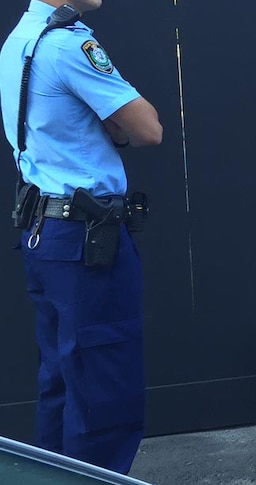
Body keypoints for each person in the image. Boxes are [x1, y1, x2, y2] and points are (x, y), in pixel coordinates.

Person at [0, 0, 162, 475]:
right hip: (85, 239)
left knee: (62, 383)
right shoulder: (71, 45)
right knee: (102, 388)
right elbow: (147, 128)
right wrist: (116, 125)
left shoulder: (19, 40)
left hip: (46, 232)